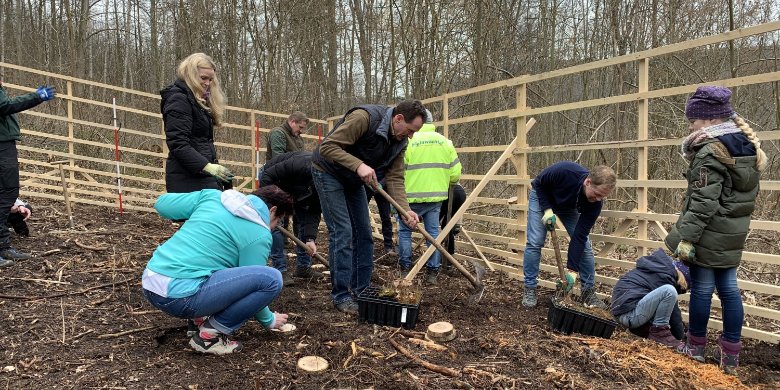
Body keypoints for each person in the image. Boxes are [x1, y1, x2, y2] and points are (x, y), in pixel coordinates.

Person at [666, 86, 766, 375]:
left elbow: (702, 203)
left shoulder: (710, 151)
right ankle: (730, 355)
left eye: (693, 120)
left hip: (708, 233)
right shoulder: (747, 146)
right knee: (730, 291)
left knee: (703, 289)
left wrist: (686, 239)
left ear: (710, 119)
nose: (690, 126)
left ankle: (695, 348)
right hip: (733, 233)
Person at [141, 185, 293, 355]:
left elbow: (162, 204)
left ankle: (199, 319)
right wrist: (269, 320)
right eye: (277, 221)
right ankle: (209, 336)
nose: (274, 227)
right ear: (272, 211)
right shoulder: (259, 234)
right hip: (180, 298)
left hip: (151, 283)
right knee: (272, 279)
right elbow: (254, 283)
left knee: (215, 264)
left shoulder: (213, 197)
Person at [312, 100, 427, 314]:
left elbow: (395, 177)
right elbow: (327, 147)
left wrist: (405, 210)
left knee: (364, 234)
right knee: (343, 232)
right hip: (328, 172)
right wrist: (359, 165)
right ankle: (341, 295)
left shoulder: (400, 141)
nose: (411, 136)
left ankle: (361, 289)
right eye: (411, 130)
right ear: (398, 118)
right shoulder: (364, 118)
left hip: (354, 179)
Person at [521, 161, 616, 309]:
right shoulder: (566, 172)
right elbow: (538, 183)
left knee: (585, 248)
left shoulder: (595, 204)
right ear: (588, 182)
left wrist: (572, 271)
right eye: (597, 194)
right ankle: (530, 288)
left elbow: (579, 236)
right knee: (535, 242)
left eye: (602, 197)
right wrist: (547, 209)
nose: (598, 199)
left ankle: (588, 293)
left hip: (568, 206)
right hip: (542, 197)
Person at [398, 109, 461, 284]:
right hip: (435, 198)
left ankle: (405, 269)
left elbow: (398, 171)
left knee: (405, 233)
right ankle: (432, 272)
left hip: (409, 198)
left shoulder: (408, 140)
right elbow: (455, 174)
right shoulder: (445, 142)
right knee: (433, 234)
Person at [0, 80, 55, 267]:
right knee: (7, 193)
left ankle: (3, 246)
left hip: (4, 142)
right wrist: (35, 97)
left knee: (7, 194)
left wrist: (21, 205)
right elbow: (5, 106)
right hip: (2, 144)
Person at [161, 53, 233, 193]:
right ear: (190, 75)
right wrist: (206, 166)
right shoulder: (179, 100)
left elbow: (201, 143)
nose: (207, 83)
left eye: (211, 79)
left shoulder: (197, 101)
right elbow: (178, 143)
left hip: (200, 175)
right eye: (203, 78)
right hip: (187, 178)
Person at [258, 151, 324, 286]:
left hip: (298, 190)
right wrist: (271, 207)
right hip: (274, 180)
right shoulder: (303, 164)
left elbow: (314, 210)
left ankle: (303, 267)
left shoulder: (325, 186)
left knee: (302, 222)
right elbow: (267, 176)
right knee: (277, 224)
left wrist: (310, 239)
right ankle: (280, 269)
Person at [611, 249, 690, 348]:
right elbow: (674, 314)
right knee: (669, 291)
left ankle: (643, 330)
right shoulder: (665, 278)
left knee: (664, 299)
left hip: (623, 311)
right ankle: (659, 332)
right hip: (629, 315)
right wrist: (680, 337)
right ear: (683, 280)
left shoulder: (659, 270)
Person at [365, 182, 395, 255]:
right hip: (366, 185)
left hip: (382, 187)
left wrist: (381, 183)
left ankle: (388, 246)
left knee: (386, 218)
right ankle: (363, 245)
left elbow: (389, 175)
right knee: (361, 216)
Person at [439, 183, 466, 259]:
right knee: (447, 225)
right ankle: (449, 255)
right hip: (460, 192)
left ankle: (434, 251)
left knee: (438, 223)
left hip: (449, 191)